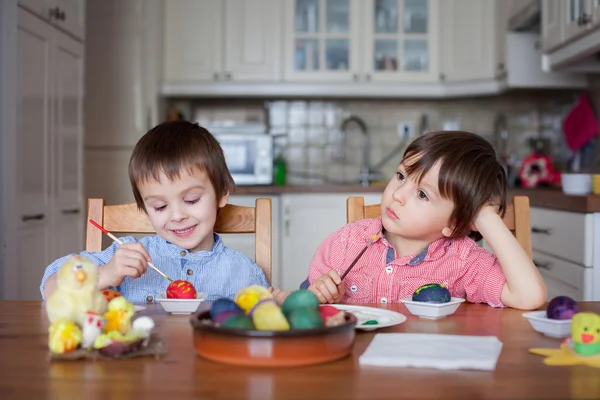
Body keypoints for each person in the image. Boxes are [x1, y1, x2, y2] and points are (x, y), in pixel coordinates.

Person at [304, 130, 546, 310]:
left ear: (453, 223)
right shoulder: (346, 242)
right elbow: (303, 303)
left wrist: (483, 215)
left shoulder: (464, 263)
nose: (397, 195)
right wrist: (318, 295)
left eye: (422, 194)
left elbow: (529, 296)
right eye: (400, 176)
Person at [40, 121, 269, 303]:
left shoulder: (244, 273)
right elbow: (49, 288)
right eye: (160, 206)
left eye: (191, 200)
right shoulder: (124, 255)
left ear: (222, 194)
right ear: (145, 208)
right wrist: (106, 273)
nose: (177, 215)